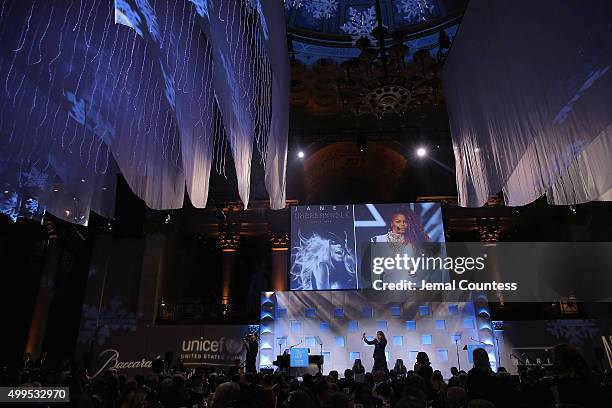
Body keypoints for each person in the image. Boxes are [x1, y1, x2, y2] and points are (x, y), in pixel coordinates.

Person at [291, 231, 356, 290]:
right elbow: (324, 294)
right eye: (333, 243)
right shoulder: (321, 266)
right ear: (326, 248)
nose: (339, 245)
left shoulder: (344, 266)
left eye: (341, 243)